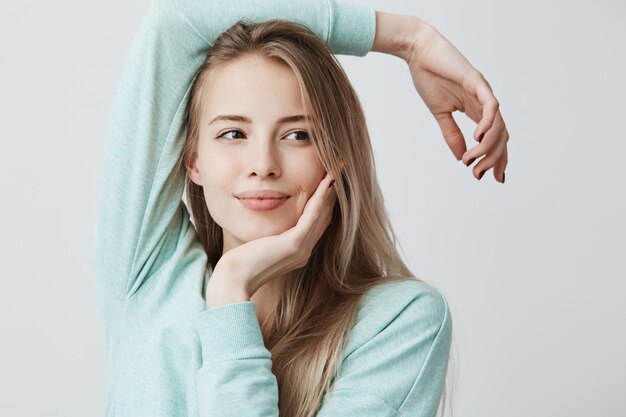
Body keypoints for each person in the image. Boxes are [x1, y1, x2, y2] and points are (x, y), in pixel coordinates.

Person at [93, 1, 508, 417]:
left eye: (297, 135)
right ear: (193, 160)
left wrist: (231, 291)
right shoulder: (146, 274)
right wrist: (409, 38)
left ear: (336, 156)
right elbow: (176, 22)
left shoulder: (400, 324)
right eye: (233, 133)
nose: (263, 165)